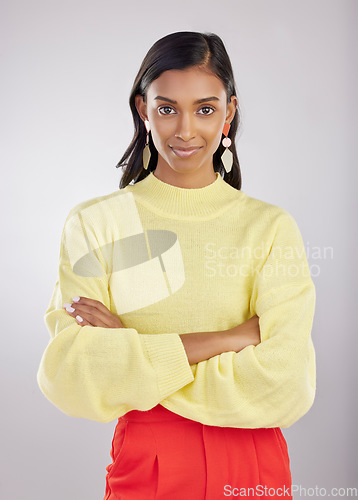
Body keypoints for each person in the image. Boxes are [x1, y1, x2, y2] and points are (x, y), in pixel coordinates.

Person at [37, 31, 316, 500]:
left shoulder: (269, 228)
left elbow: (287, 383)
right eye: (168, 108)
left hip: (253, 469)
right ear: (143, 110)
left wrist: (133, 352)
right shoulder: (96, 223)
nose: (186, 130)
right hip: (149, 466)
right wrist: (229, 339)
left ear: (228, 112)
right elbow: (69, 375)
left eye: (205, 109)